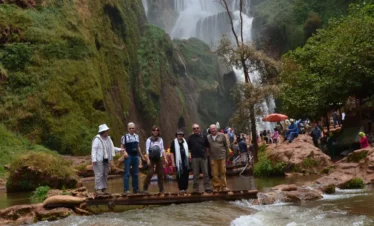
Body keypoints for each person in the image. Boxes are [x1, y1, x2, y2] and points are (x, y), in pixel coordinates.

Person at [92, 124, 121, 194]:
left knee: (105, 174)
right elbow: (94, 149)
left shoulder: (108, 139)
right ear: (102, 132)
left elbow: (111, 148)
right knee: (99, 174)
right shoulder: (97, 139)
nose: (107, 133)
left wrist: (120, 149)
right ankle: (98, 188)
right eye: (106, 131)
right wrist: (94, 159)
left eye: (107, 131)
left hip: (106, 159)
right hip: (99, 160)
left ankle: (104, 188)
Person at [121, 122, 145, 194]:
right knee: (127, 173)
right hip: (128, 156)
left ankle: (135, 189)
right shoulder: (124, 137)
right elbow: (122, 147)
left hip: (135, 156)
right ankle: (126, 189)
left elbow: (138, 147)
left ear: (135, 129)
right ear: (128, 129)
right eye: (130, 128)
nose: (131, 129)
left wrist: (142, 156)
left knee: (135, 173)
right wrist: (124, 153)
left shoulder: (136, 136)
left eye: (133, 128)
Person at [143, 125, 168, 193]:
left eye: (157, 130)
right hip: (151, 158)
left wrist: (165, 158)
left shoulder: (160, 140)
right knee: (150, 173)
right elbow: (147, 150)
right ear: (152, 131)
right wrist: (148, 160)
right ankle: (145, 186)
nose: (155, 131)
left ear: (158, 131)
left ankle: (161, 189)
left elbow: (162, 149)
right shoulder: (149, 140)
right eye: (154, 130)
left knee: (160, 173)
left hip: (159, 157)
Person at [187, 124, 212, 193]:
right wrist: (190, 155)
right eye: (194, 128)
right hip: (194, 157)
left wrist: (206, 154)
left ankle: (207, 187)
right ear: (193, 130)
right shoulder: (190, 137)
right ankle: (196, 188)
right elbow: (188, 147)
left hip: (203, 157)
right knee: (195, 174)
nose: (196, 129)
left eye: (197, 128)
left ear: (199, 128)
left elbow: (207, 146)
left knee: (205, 173)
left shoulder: (204, 136)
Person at [207, 124, 230, 192]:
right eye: (212, 129)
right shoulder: (208, 137)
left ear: (216, 129)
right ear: (210, 130)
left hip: (222, 156)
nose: (213, 130)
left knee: (223, 172)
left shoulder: (222, 135)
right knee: (214, 173)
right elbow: (206, 147)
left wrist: (227, 156)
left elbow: (226, 145)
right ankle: (216, 187)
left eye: (214, 128)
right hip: (213, 157)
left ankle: (224, 187)